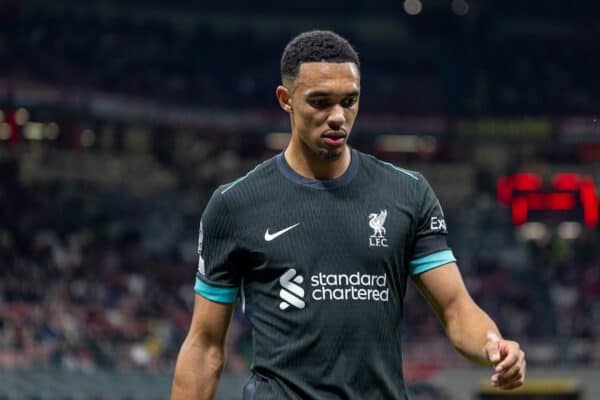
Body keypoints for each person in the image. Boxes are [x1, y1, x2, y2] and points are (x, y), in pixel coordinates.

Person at [170, 30, 526, 400]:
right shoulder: (235, 205)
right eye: (320, 102)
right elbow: (205, 346)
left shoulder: (407, 193)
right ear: (285, 99)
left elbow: (456, 308)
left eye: (349, 100)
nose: (338, 116)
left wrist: (493, 345)